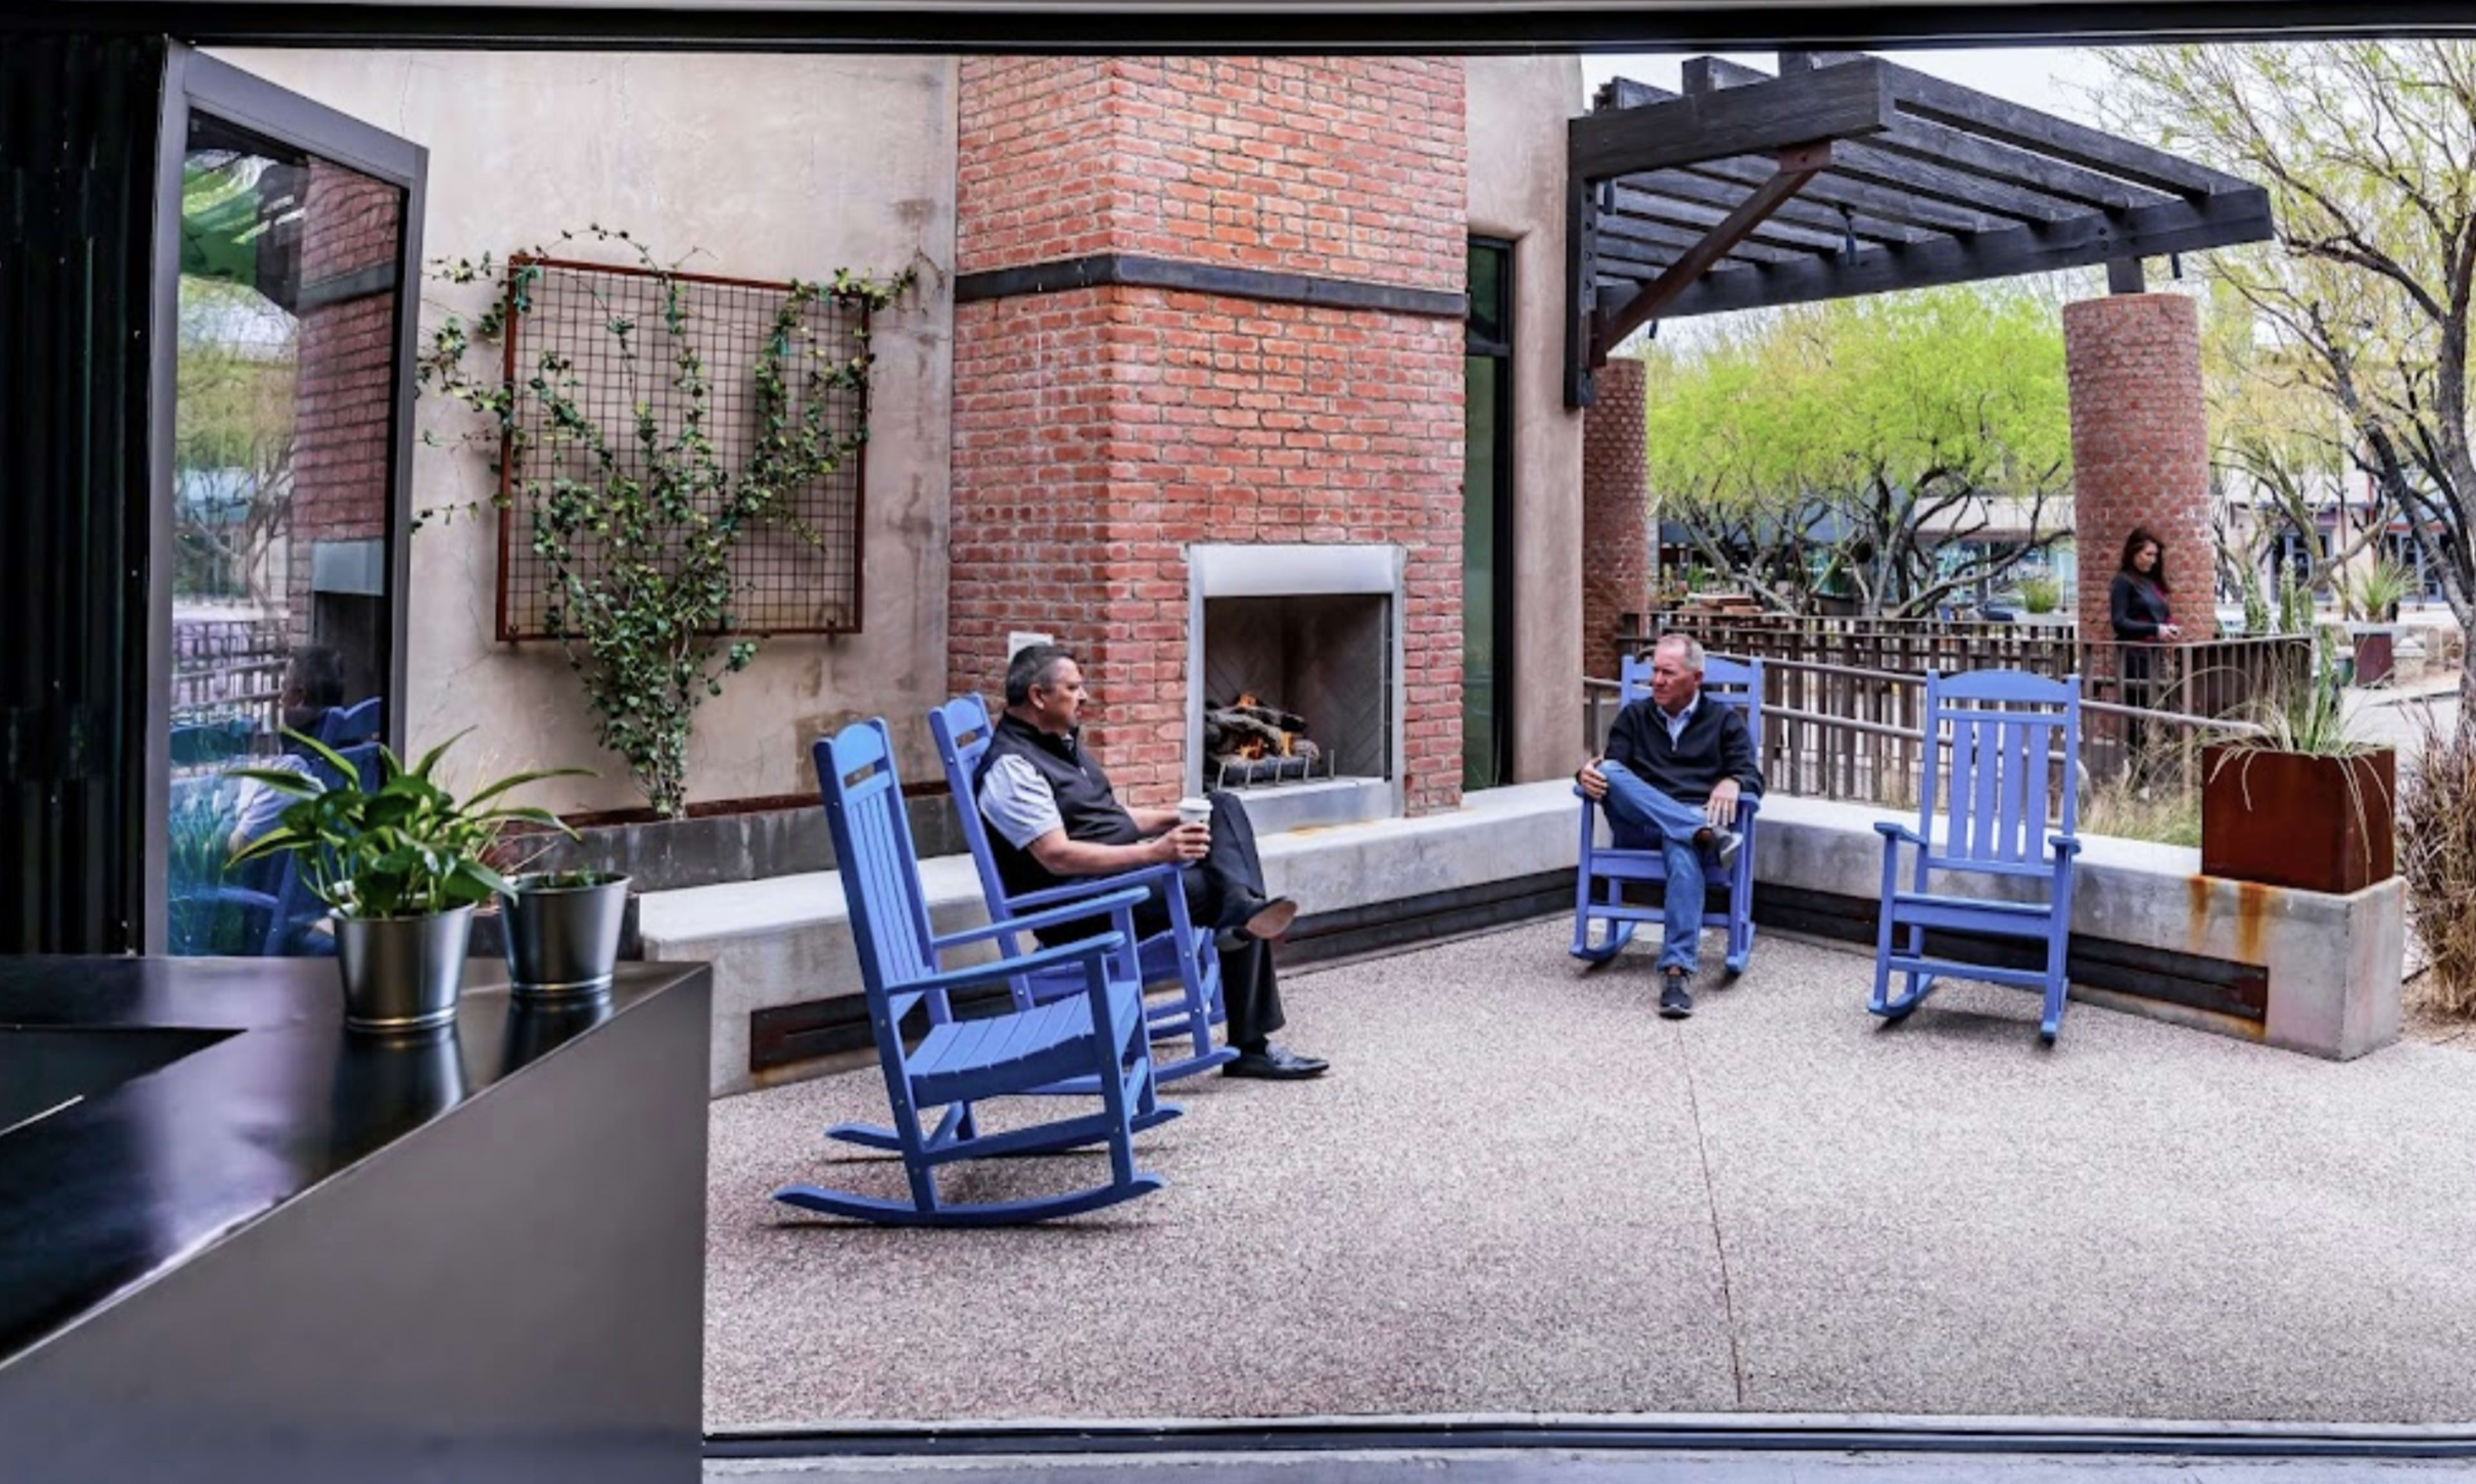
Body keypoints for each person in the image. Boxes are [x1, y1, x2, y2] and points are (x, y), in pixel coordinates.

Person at [974, 644, 1329, 1080]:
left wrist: (1175, 817)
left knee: (1222, 804)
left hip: (1119, 879)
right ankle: (1249, 1040)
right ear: (1038, 696)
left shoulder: (1059, 743)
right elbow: (1057, 856)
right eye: (1073, 688)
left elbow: (1109, 820)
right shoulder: (1012, 768)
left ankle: (1241, 911)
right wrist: (1155, 852)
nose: (1084, 696)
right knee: (1217, 888)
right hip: (1078, 906)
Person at [1576, 632, 1764, 1020]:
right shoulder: (1635, 717)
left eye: (1668, 673)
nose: (1657, 681)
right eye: (1654, 672)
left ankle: (1676, 974)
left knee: (1682, 849)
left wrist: (1736, 782)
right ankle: (1701, 830)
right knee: (1611, 770)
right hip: (1638, 826)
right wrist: (1586, 776)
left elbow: (1753, 777)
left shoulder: (1724, 722)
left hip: (1680, 837)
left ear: (1696, 678)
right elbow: (1612, 771)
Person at [227, 645, 349, 852]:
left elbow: (238, 847)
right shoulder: (345, 756)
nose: (281, 699)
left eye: (285, 689)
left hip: (260, 883)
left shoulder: (295, 770)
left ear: (299, 696)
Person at [2108, 527, 2182, 763]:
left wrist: (2169, 627)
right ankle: (2137, 771)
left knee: (2161, 710)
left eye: (2155, 555)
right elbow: (2119, 622)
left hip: (2154, 655)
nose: (2153, 560)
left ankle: (2157, 766)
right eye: (2148, 554)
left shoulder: (2152, 583)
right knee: (2138, 714)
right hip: (2133, 656)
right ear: (2134, 552)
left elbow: (2163, 613)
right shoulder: (2123, 582)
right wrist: (2155, 630)